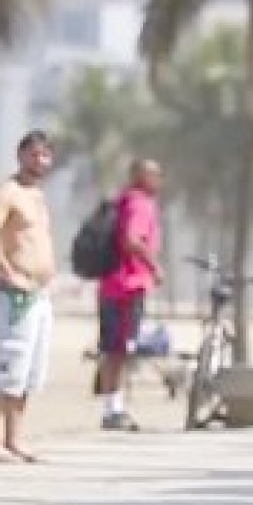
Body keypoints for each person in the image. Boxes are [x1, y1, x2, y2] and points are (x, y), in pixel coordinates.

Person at [0, 130, 59, 463]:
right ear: (21, 156)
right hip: (14, 294)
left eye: (45, 155)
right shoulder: (9, 192)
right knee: (6, 365)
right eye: (34, 154)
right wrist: (7, 272)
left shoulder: (37, 195)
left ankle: (14, 438)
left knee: (28, 371)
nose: (40, 161)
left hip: (39, 293)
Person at [97, 159, 164, 432]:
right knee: (121, 350)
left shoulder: (124, 200)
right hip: (128, 286)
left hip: (113, 284)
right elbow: (131, 239)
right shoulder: (139, 203)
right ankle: (114, 409)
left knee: (115, 349)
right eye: (154, 174)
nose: (159, 179)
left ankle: (114, 406)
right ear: (140, 176)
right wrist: (154, 266)